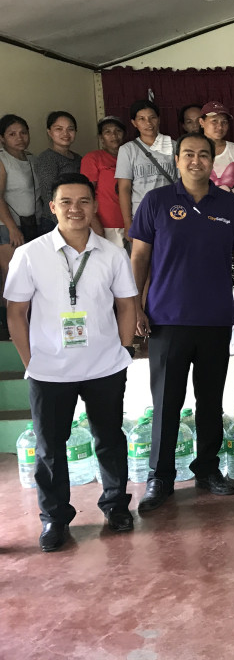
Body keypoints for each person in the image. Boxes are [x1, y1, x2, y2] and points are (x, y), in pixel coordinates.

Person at [4, 173, 138, 551]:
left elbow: (127, 304)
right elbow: (16, 313)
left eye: (83, 201)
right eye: (66, 201)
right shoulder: (29, 254)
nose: (75, 209)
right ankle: (55, 519)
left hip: (104, 367)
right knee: (49, 448)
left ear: (95, 206)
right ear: (52, 207)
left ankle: (115, 505)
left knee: (110, 440)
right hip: (49, 372)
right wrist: (32, 362)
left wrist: (123, 350)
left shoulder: (112, 254)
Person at [129, 133, 234, 513]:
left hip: (216, 320)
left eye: (204, 155)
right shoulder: (156, 202)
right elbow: (139, 257)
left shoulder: (229, 205)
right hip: (166, 320)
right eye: (188, 154)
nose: (196, 161)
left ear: (213, 161)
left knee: (209, 401)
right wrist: (135, 306)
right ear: (177, 160)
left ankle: (207, 469)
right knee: (166, 403)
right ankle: (161, 476)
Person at [115, 99, 177, 244]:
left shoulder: (174, 146)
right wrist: (128, 222)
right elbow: (124, 188)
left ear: (159, 119)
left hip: (171, 212)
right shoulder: (127, 150)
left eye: (152, 118)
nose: (148, 123)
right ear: (134, 123)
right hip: (141, 214)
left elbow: (182, 183)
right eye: (141, 119)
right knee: (144, 261)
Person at [0, 115, 39, 279]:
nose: (19, 138)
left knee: (31, 275)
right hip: (8, 227)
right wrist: (12, 229)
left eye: (23, 133)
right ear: (2, 138)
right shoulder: (2, 159)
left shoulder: (32, 158)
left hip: (32, 223)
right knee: (13, 277)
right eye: (12, 134)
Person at [32, 111, 82, 234]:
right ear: (49, 132)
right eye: (59, 129)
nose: (65, 133)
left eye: (70, 129)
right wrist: (62, 224)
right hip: (55, 222)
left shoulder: (79, 158)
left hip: (75, 216)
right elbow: (49, 193)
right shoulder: (47, 158)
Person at [81, 116, 127, 247]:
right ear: (101, 137)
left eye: (118, 131)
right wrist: (95, 224)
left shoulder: (131, 157)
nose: (114, 135)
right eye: (107, 132)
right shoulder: (93, 158)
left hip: (132, 222)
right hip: (107, 224)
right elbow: (86, 195)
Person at [203, 101, 234, 197]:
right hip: (203, 208)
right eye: (214, 121)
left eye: (224, 122)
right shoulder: (192, 149)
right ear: (201, 122)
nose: (220, 127)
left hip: (232, 208)